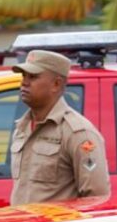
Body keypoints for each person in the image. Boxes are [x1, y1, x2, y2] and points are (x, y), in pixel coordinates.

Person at [10, 50, 110, 205]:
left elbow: (95, 199)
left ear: (56, 84)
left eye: (33, 77)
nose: (24, 83)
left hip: (54, 221)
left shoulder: (78, 133)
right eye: (24, 76)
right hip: (21, 220)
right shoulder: (23, 127)